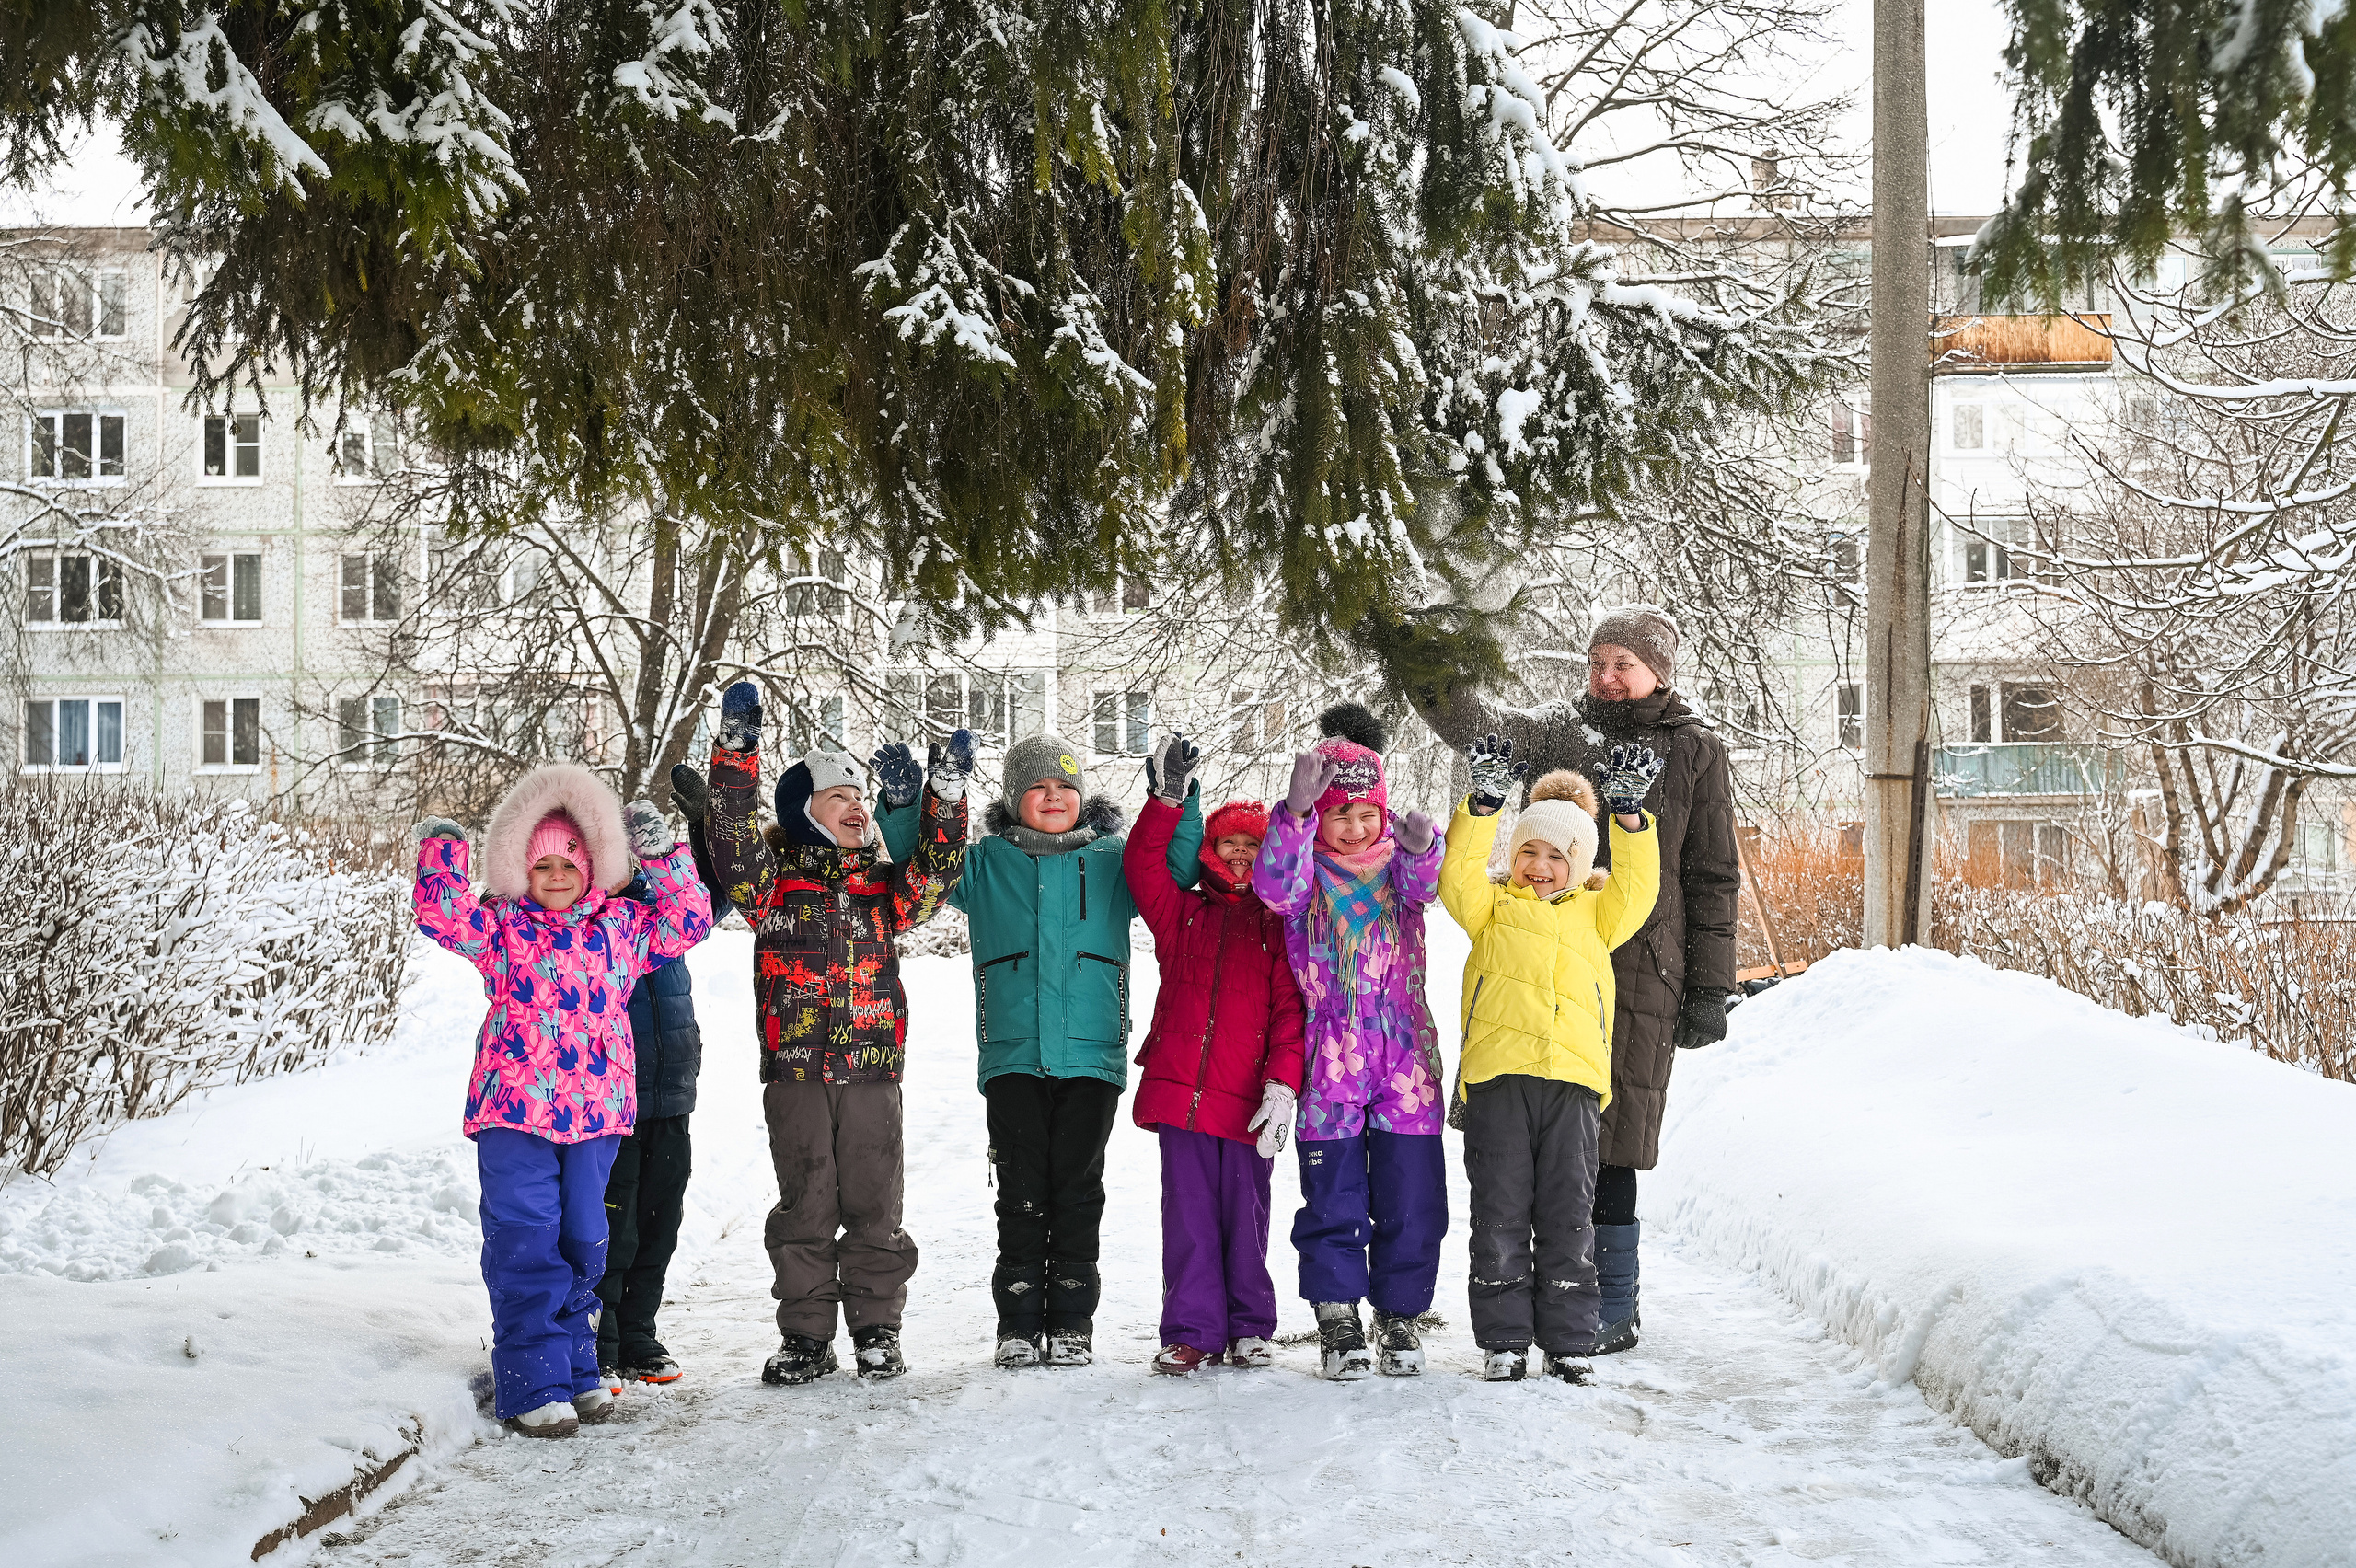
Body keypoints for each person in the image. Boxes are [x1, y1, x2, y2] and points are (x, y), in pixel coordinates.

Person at [1407, 605, 1739, 1354]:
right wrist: (1421, 669)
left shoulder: (1695, 750)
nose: (1608, 677)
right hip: (1538, 958)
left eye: (1624, 663)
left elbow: (1713, 874)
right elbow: (1477, 724)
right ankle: (1540, 1301)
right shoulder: (1565, 730)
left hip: (1644, 966)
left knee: (1616, 1140)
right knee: (1539, 1142)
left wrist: (1709, 986)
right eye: (1598, 663)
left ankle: (1612, 1302)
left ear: (1660, 669)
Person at [412, 764, 712, 1438]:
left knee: (584, 1238)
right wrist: (444, 851)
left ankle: (575, 1367)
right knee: (527, 1237)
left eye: (568, 861)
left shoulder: (623, 929)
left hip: (596, 1112)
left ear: (592, 866)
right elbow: (440, 913)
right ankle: (530, 1380)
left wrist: (660, 855)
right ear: (522, 868)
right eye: (540, 862)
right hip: (514, 1112)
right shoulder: (502, 930)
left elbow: (691, 918)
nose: (555, 874)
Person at [702, 681, 970, 1385]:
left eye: (859, 797)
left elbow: (938, 875)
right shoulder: (771, 889)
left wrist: (943, 801)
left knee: (875, 1203)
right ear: (803, 816)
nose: (856, 805)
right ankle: (807, 1336)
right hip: (795, 1068)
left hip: (873, 1066)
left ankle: (877, 1327)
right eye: (836, 797)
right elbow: (730, 838)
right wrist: (736, 754)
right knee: (806, 1204)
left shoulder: (884, 890)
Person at [1438, 738, 1660, 1383]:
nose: (1539, 866)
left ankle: (1568, 1339)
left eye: (1556, 856)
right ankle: (1504, 1338)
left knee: (1568, 1213)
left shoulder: (1598, 915)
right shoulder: (1492, 909)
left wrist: (1628, 817)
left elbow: (1640, 885)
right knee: (1500, 1213)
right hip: (1500, 1080)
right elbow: (1456, 873)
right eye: (1528, 851)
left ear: (1580, 862)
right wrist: (1483, 805)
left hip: (1573, 1086)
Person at [1252, 703, 1447, 1380]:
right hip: (1329, 1053)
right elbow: (1273, 890)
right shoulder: (1304, 872)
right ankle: (1338, 1314)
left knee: (1411, 1192)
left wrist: (1425, 848)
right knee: (1333, 1192)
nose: (1357, 827)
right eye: (1341, 814)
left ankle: (1400, 1316)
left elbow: (1428, 885)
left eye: (1369, 815)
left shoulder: (1398, 868)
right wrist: (1295, 816)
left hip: (1405, 1054)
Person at [950, 732, 1136, 1369]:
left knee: (1078, 1187)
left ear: (1082, 796)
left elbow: (1176, 869)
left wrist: (1174, 804)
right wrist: (924, 799)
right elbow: (927, 860)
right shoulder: (986, 863)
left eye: (1064, 785)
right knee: (1021, 1186)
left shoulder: (1115, 858)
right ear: (1013, 798)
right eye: (1037, 786)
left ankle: (1074, 1318)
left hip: (1091, 1055)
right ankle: (1019, 1321)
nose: (1053, 795)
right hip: (1014, 1053)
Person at [1123, 732, 1307, 1376]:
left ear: (1268, 856)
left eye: (1250, 845)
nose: (1236, 854)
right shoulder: (1185, 917)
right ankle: (1192, 1330)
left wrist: (1284, 1084)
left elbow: (1291, 1013)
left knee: (1246, 1219)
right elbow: (1143, 869)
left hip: (1248, 1101)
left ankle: (1251, 1327)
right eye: (1226, 843)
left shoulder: (1282, 926)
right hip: (1181, 1096)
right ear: (1208, 852)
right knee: (1190, 1221)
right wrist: (1167, 801)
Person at [590, 767, 734, 1391]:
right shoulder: (589, 924)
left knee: (661, 1217)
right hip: (610, 1096)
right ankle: (603, 1338)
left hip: (672, 1087)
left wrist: (705, 829)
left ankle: (641, 1332)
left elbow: (717, 894)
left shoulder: (663, 909)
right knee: (612, 1225)